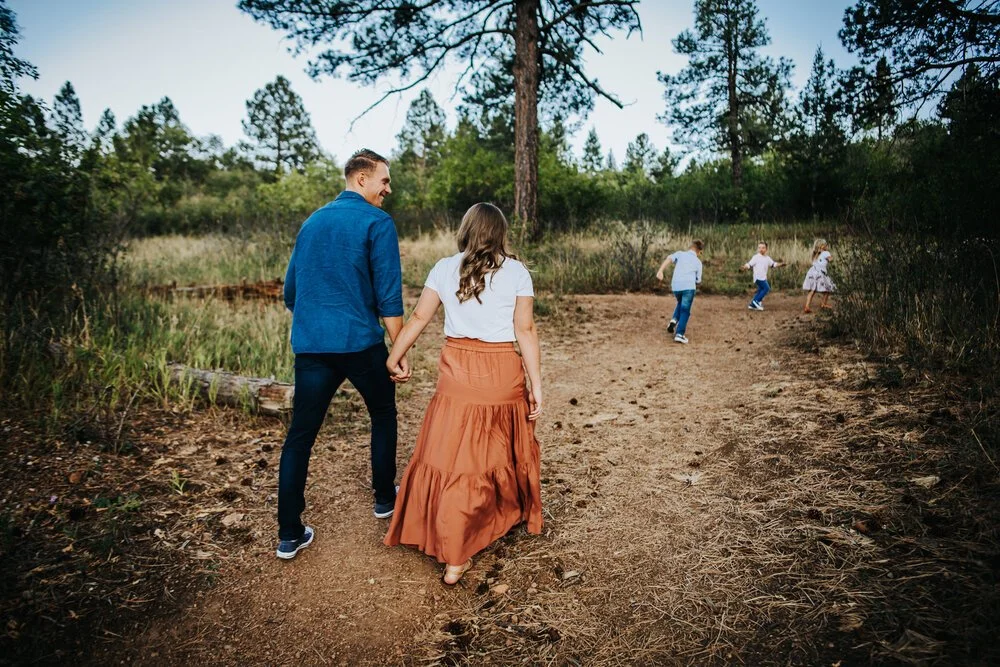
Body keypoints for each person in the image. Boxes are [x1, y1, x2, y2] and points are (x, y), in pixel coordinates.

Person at [382, 202, 543, 585]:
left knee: (453, 456)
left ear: (466, 230)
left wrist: (395, 355)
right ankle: (464, 546)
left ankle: (454, 547)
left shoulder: (443, 267)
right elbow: (526, 331)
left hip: (456, 373)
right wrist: (537, 383)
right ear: (500, 233)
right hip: (501, 373)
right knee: (492, 452)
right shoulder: (517, 272)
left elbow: (420, 317)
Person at [275, 149, 411, 560]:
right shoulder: (376, 222)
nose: (388, 189)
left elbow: (291, 293)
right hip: (359, 344)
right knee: (383, 413)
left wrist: (319, 318)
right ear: (361, 179)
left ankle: (288, 534)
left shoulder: (312, 222)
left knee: (300, 436)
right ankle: (385, 498)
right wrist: (399, 350)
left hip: (313, 347)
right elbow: (389, 295)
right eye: (384, 181)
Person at [656, 240, 704, 344]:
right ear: (699, 251)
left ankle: (674, 320)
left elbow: (669, 258)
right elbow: (698, 280)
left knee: (680, 302)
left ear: (690, 247)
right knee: (685, 310)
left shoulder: (680, 254)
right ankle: (679, 334)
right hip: (689, 287)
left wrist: (660, 270)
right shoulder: (698, 262)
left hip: (676, 286)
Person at [742, 241, 785, 311]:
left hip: (763, 277)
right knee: (766, 288)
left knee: (760, 290)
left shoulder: (767, 258)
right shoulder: (756, 257)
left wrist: (781, 264)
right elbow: (749, 264)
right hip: (758, 277)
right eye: (759, 248)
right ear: (758, 249)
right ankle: (756, 301)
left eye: (763, 248)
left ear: (766, 249)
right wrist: (745, 267)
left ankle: (752, 305)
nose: (761, 249)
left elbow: (773, 264)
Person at [802, 238, 835, 313]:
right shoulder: (826, 253)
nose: (827, 246)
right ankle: (823, 304)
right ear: (822, 246)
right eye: (825, 244)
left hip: (812, 272)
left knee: (812, 290)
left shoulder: (815, 254)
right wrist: (830, 257)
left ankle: (807, 306)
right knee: (828, 289)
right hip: (820, 273)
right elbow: (830, 260)